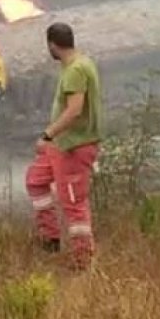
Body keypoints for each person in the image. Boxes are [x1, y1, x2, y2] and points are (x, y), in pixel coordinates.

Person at [25, 23, 103, 270]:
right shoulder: (79, 63)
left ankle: (83, 263)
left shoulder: (75, 71)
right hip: (62, 145)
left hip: (74, 147)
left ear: (52, 45)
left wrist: (47, 135)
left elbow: (74, 110)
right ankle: (50, 239)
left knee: (73, 203)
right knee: (36, 180)